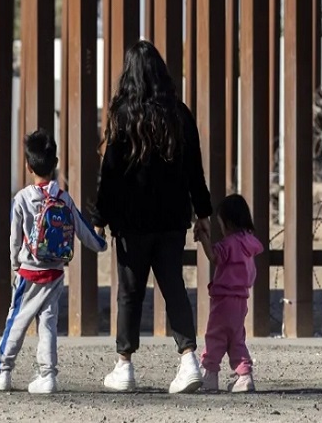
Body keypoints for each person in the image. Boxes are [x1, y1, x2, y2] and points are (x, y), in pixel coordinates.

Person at [92, 40, 213, 394]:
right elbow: (195, 170)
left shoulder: (122, 115)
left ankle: (124, 366)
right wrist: (203, 212)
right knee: (173, 285)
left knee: (129, 293)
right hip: (173, 219)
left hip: (132, 223)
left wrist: (100, 216)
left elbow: (110, 174)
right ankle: (189, 360)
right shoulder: (180, 113)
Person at [0, 129, 108, 394]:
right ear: (55, 164)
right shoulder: (63, 198)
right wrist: (101, 243)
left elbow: (14, 239)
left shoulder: (21, 199)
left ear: (28, 165)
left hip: (28, 273)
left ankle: (3, 370)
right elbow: (83, 230)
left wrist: (15, 265)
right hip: (55, 271)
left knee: (17, 320)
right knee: (48, 323)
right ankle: (47, 375)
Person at [197, 194, 264, 393]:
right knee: (236, 338)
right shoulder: (249, 243)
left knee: (215, 335)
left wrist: (203, 238)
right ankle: (244, 375)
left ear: (229, 222)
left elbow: (213, 257)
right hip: (241, 300)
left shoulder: (230, 243)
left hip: (223, 299)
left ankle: (209, 375)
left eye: (221, 224)